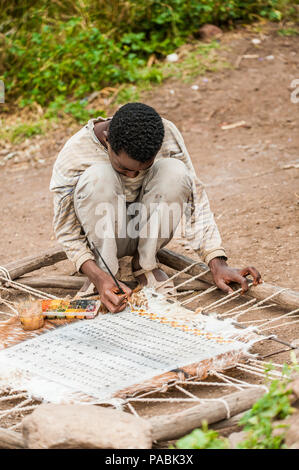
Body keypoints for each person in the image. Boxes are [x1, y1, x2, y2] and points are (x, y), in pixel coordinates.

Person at [50, 102, 261, 313]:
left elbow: (194, 199)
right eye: (123, 168)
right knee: (99, 178)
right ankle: (107, 273)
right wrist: (98, 276)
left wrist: (217, 262)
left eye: (143, 169)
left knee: (177, 172)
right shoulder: (75, 155)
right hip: (101, 239)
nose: (132, 176)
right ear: (107, 140)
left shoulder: (164, 134)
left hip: (146, 232)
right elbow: (67, 232)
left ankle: (145, 265)